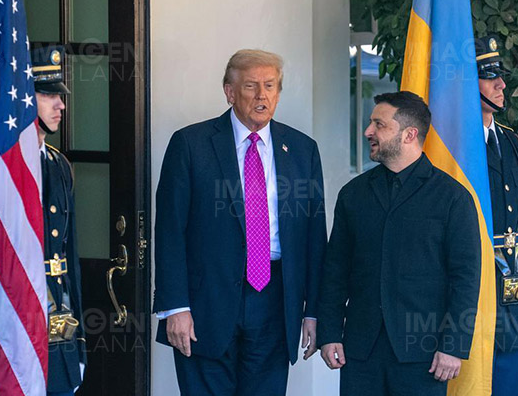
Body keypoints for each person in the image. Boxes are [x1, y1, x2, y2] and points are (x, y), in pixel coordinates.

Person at [153, 49, 327, 395]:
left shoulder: (302, 149)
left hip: (275, 302)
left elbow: (313, 236)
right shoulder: (190, 144)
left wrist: (314, 311)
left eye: (270, 86)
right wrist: (175, 306)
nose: (262, 95)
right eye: (251, 86)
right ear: (229, 92)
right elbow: (170, 230)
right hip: (205, 302)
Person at [317, 91, 482, 396]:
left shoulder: (453, 198)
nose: (368, 131)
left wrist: (454, 345)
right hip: (360, 352)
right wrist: (328, 332)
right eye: (370, 123)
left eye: (379, 124)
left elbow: (465, 278)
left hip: (425, 354)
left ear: (409, 134)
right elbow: (335, 270)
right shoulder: (353, 194)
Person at [475, 35, 518, 396]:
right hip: (471, 298)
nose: (501, 85)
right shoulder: (454, 148)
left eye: (500, 76)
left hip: (514, 297)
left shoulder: (513, 143)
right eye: (490, 77)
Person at [32, 45, 86, 395]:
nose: (60, 105)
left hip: (58, 318)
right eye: (48, 95)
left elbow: (69, 257)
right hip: (15, 317)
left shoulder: (58, 164)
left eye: (60, 96)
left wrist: (78, 341)